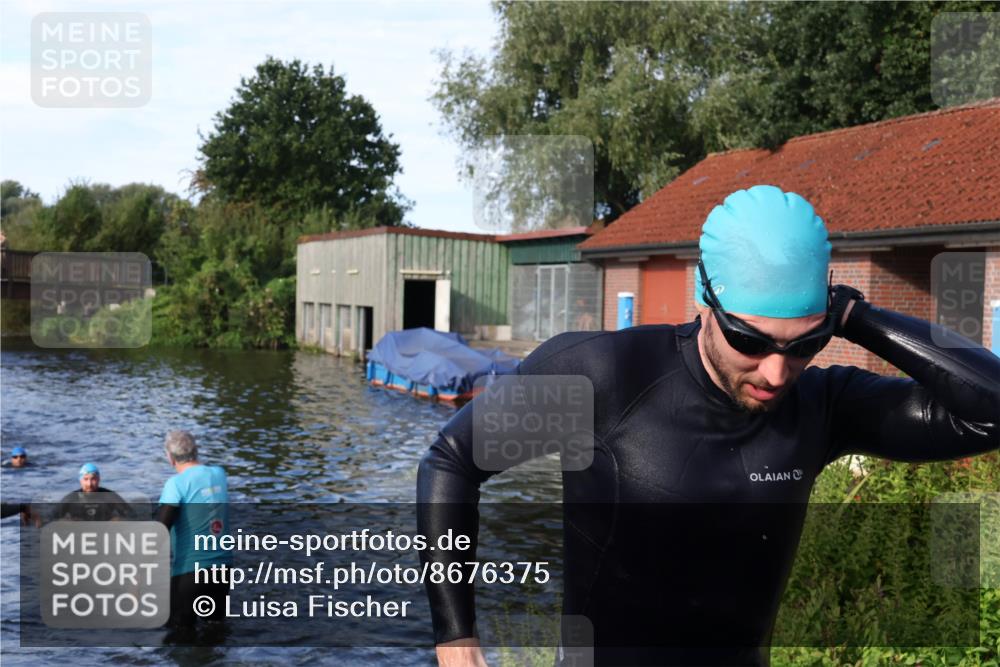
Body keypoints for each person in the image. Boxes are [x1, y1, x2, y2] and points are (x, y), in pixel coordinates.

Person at [416, 185, 1000, 666]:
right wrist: (456, 639)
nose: (777, 372)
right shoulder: (606, 375)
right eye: (751, 340)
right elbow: (453, 460)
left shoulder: (824, 404)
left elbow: (990, 410)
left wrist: (855, 315)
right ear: (705, 299)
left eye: (806, 344)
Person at [156, 430, 231, 629]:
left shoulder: (176, 485)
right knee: (215, 632)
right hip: (222, 570)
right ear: (196, 451)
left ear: (170, 458)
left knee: (179, 639)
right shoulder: (219, 474)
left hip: (190, 573)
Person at [56, 463, 132, 521]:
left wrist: (117, 520)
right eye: (86, 479)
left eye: (93, 479)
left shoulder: (110, 496)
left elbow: (132, 515)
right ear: (80, 481)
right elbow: (51, 518)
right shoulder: (71, 499)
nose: (89, 484)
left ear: (99, 479)